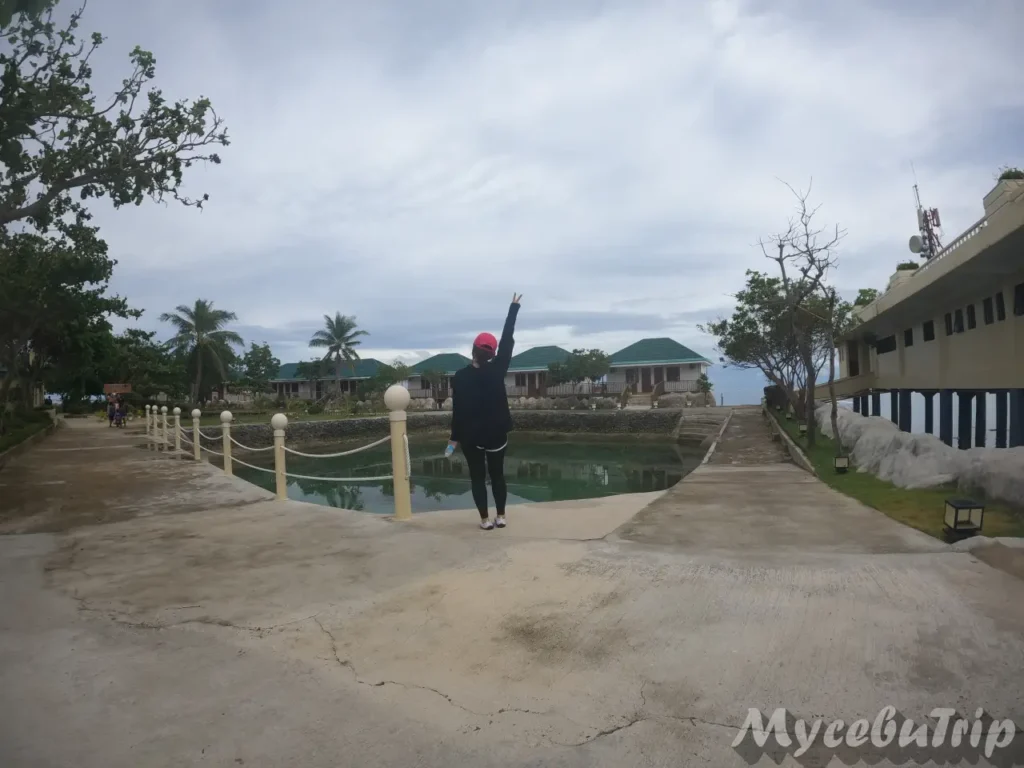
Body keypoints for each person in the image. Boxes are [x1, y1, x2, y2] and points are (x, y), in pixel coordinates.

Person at [448, 293, 521, 530]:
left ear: (473, 350)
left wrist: (454, 438)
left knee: (477, 477)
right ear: (492, 354)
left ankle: (484, 520)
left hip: (471, 437)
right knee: (498, 475)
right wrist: (513, 308)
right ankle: (501, 516)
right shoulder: (498, 369)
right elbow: (507, 339)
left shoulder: (460, 377)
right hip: (496, 434)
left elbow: (457, 410)